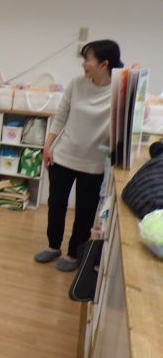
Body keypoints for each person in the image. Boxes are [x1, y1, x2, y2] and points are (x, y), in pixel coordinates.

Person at [35, 40, 123, 272]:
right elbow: (61, 116)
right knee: (56, 205)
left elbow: (129, 119)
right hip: (63, 156)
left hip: (93, 163)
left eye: (88, 59)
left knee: (84, 212)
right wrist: (48, 146)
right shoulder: (76, 84)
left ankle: (74, 253)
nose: (84, 64)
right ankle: (53, 246)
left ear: (104, 64)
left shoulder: (119, 90)